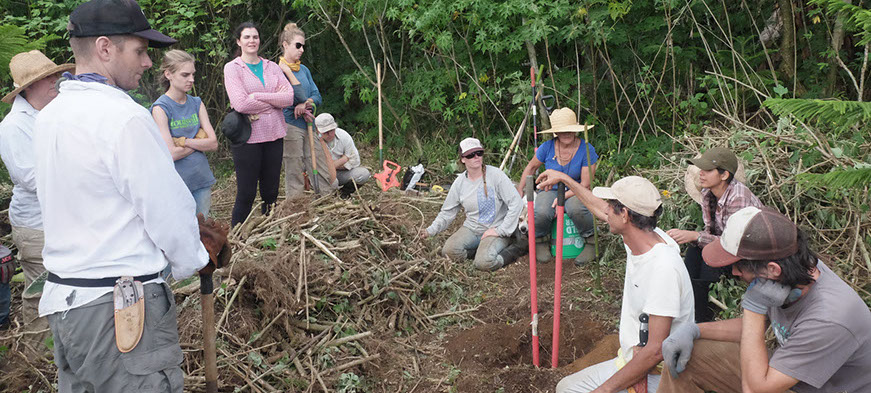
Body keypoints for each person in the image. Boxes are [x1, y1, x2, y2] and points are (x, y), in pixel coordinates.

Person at [33, 0, 227, 390]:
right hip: (121, 313)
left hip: (68, 305)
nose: (148, 63)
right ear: (105, 48)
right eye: (139, 51)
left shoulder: (50, 116)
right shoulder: (123, 117)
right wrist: (196, 256)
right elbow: (167, 210)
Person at [659, 206, 871, 393]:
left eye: (739, 266)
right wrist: (695, 330)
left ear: (772, 269)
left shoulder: (829, 318)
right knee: (690, 357)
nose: (734, 272)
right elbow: (752, 329)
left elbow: (754, 389)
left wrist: (753, 307)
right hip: (788, 378)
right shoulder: (796, 272)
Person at [536, 170, 694, 393]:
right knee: (567, 387)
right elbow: (600, 209)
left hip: (659, 374)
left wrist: (603, 390)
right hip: (633, 359)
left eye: (611, 205)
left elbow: (656, 350)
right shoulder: (643, 236)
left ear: (626, 215)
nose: (606, 209)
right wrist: (565, 179)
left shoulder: (663, 268)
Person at [0, 50, 74, 334]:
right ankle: (34, 359)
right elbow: (30, 177)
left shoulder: (58, 113)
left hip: (64, 219)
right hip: (36, 225)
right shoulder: (13, 127)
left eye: (55, 74)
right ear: (29, 87)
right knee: (41, 293)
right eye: (48, 78)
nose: (56, 81)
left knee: (65, 289)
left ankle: (58, 352)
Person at [665, 147, 762, 323]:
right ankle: (690, 301)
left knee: (709, 261)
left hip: (748, 252)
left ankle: (703, 317)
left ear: (724, 175)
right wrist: (695, 238)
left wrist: (695, 235)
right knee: (695, 252)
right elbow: (711, 231)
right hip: (727, 244)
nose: (700, 174)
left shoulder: (738, 198)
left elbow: (734, 243)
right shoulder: (708, 194)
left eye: (707, 170)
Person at [224, 21, 294, 226]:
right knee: (246, 192)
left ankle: (267, 231)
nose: (251, 41)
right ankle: (236, 237)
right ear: (239, 41)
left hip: (274, 134)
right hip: (248, 138)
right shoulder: (233, 68)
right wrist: (273, 101)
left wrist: (257, 96)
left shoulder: (271, 67)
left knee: (271, 191)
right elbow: (241, 103)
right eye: (246, 37)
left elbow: (289, 98)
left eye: (255, 37)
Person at [421, 138, 524, 271]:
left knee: (484, 263)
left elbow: (516, 202)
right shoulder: (459, 183)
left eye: (479, 153)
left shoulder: (496, 176)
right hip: (472, 228)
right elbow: (447, 212)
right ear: (463, 159)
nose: (476, 157)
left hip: (497, 229)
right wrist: (430, 231)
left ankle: (514, 248)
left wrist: (501, 230)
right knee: (449, 251)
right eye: (470, 155)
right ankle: (479, 250)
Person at [516, 108, 598, 266]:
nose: (566, 134)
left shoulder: (586, 149)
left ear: (575, 130)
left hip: (577, 190)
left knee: (576, 209)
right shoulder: (547, 147)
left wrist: (562, 199)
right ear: (556, 133)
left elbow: (585, 184)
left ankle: (591, 242)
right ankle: (540, 240)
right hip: (550, 188)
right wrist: (521, 188)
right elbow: (531, 168)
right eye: (562, 131)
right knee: (540, 210)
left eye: (569, 130)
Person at [151, 49, 218, 216]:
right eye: (185, 75)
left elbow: (213, 143)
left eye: (193, 74)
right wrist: (198, 141)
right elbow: (171, 154)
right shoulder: (161, 108)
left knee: (203, 233)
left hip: (201, 179)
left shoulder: (196, 103)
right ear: (168, 74)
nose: (192, 79)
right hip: (177, 183)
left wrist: (182, 141)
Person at [278, 22, 335, 196]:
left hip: (309, 124)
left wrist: (306, 104)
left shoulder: (304, 69)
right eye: (298, 45)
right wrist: (288, 73)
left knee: (318, 163)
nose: (302, 49)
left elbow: (317, 96)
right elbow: (297, 94)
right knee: (294, 167)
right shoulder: (277, 71)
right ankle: (296, 208)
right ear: (285, 45)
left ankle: (326, 200)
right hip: (290, 125)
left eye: (303, 46)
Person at [314, 112, 370, 197]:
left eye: (332, 130)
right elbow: (319, 167)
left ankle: (344, 193)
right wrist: (343, 159)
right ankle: (326, 194)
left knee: (364, 174)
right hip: (323, 176)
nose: (330, 134)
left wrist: (332, 164)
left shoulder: (343, 136)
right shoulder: (313, 140)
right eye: (326, 132)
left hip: (343, 173)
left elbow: (355, 161)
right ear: (318, 130)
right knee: (333, 182)